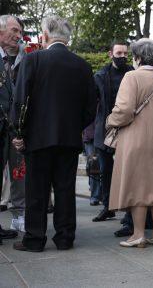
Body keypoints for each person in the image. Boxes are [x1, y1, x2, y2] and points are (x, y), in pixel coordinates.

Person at [11, 15, 96, 252]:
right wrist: (74, 127)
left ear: (45, 35)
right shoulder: (83, 66)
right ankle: (65, 237)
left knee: (36, 191)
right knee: (65, 189)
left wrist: (19, 131)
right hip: (69, 139)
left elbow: (20, 100)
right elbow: (91, 108)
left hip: (37, 138)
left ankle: (35, 239)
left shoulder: (33, 60)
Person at [106, 38, 153, 248]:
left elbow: (124, 111)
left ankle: (138, 235)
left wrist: (110, 121)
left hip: (136, 141)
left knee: (138, 187)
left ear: (138, 57)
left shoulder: (131, 76)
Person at [92, 40, 133, 222]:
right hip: (105, 129)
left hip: (129, 128)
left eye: (125, 53)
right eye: (119, 54)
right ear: (110, 54)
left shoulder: (133, 73)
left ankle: (130, 211)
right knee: (105, 170)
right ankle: (108, 206)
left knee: (129, 171)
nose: (122, 57)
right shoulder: (100, 75)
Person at [1, 16, 26, 233]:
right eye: (14, 31)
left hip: (17, 128)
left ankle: (19, 216)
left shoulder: (25, 58)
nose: (19, 36)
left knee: (19, 172)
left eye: (20, 32)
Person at [83, 122, 101, 206]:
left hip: (99, 134)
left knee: (94, 167)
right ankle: (95, 196)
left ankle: (96, 194)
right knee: (93, 166)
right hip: (90, 136)